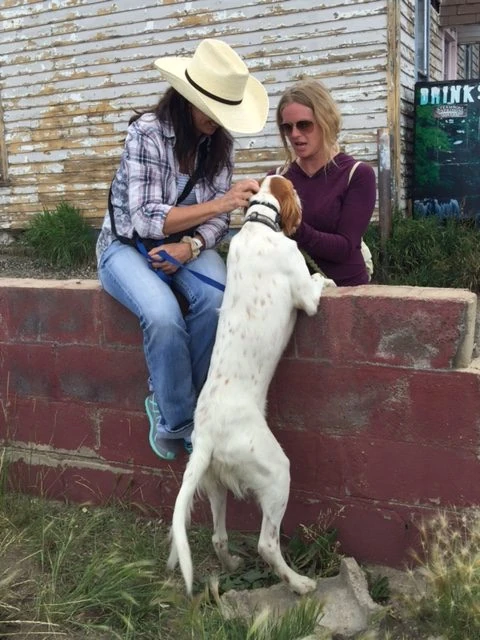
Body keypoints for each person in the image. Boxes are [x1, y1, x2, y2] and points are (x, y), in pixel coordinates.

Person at [96, 39, 269, 461]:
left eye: (225, 111)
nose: (218, 121)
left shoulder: (218, 144)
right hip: (124, 247)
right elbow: (143, 218)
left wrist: (190, 247)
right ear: (188, 98)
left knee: (215, 301)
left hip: (182, 244)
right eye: (212, 109)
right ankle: (179, 417)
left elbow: (215, 224)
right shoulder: (147, 133)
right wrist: (225, 201)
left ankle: (183, 405)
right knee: (161, 315)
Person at [273, 78, 376, 286]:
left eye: (304, 125)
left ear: (325, 121)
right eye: (287, 127)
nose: (294, 134)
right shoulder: (277, 180)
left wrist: (295, 226)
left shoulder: (357, 174)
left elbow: (344, 247)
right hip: (292, 297)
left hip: (344, 293)